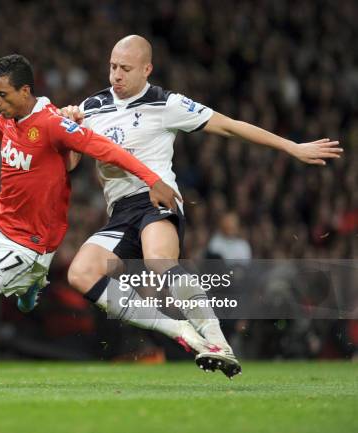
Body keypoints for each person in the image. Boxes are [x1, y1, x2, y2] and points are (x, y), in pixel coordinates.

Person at [0, 54, 191, 387]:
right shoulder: (8, 119)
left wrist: (152, 180)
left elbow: (105, 149)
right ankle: (29, 283)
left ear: (25, 90)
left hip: (29, 243)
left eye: (2, 94)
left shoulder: (52, 123)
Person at [59, 35, 342, 378]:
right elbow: (70, 163)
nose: (116, 75)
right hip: (119, 213)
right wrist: (68, 129)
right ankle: (180, 331)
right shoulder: (91, 107)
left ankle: (217, 340)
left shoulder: (166, 103)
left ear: (147, 69)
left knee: (159, 261)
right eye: (112, 67)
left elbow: (230, 126)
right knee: (80, 274)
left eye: (125, 69)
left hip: (154, 199)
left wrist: (291, 147)